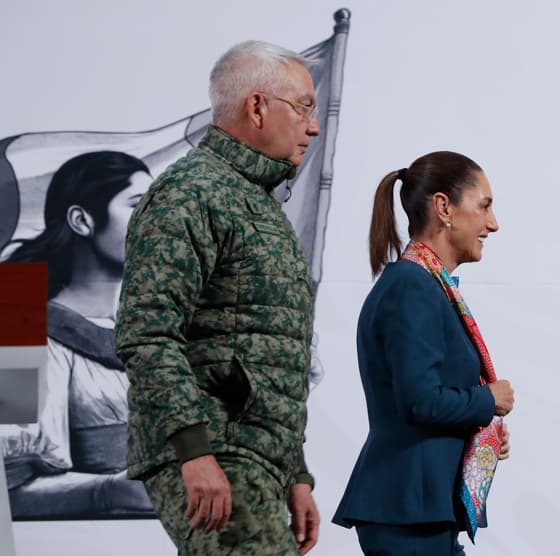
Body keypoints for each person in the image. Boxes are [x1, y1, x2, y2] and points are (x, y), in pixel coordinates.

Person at [115, 40, 321, 555]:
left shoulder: (256, 202)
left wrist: (294, 470)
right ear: (257, 107)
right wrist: (194, 450)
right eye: (304, 108)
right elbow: (148, 332)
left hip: (254, 456)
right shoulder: (191, 192)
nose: (313, 127)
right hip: (216, 451)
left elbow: (269, 350)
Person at [333, 151, 515, 555]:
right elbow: (420, 400)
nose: (493, 224)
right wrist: (487, 400)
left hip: (422, 511)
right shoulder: (412, 287)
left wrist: (478, 429)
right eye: (484, 206)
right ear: (444, 208)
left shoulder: (427, 285)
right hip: (407, 512)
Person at [0, 150, 155, 519]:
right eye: (139, 205)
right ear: (81, 220)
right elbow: (10, 487)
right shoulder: (18, 324)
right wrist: (110, 490)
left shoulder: (163, 326)